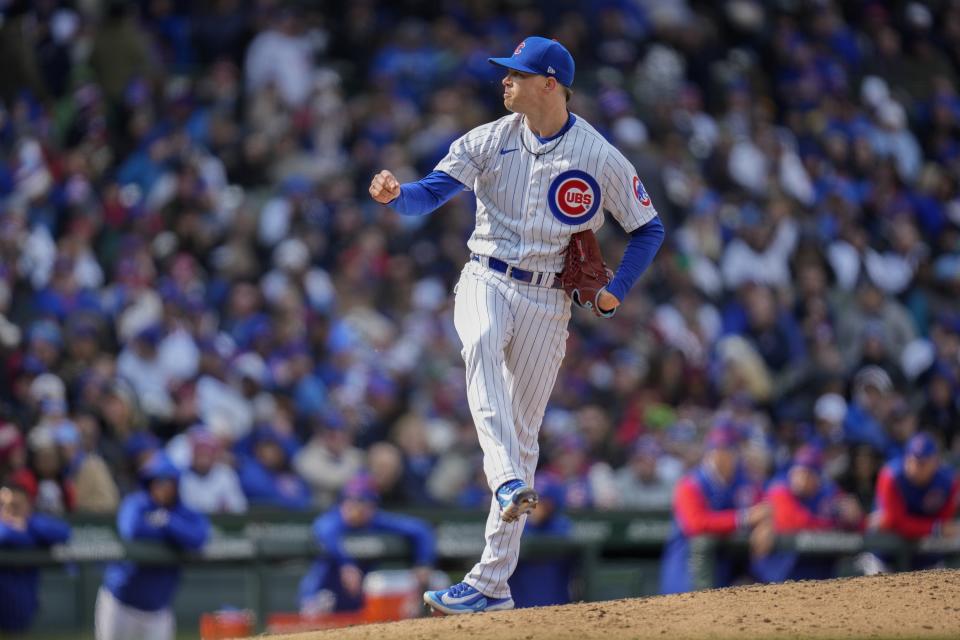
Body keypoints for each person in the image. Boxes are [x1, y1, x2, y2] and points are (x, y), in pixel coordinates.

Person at [369, 35, 665, 614]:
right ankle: (505, 480)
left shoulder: (599, 155)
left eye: (517, 74)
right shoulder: (487, 139)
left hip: (548, 301)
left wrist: (615, 292)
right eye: (505, 73)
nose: (504, 81)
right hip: (487, 276)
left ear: (549, 83)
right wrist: (395, 194)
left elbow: (647, 228)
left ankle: (490, 585)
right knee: (478, 342)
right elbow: (429, 194)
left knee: (524, 435)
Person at [96, 452, 210, 640]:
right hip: (120, 603)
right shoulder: (136, 503)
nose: (162, 487)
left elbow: (199, 537)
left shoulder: (181, 512)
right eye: (156, 480)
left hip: (158, 611)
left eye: (167, 481)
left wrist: (166, 522)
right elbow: (132, 530)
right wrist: (172, 535)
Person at [299, 473, 435, 615]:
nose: (353, 507)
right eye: (349, 501)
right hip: (323, 595)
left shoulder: (376, 520)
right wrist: (346, 564)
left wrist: (423, 563)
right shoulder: (333, 521)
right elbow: (323, 530)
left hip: (360, 600)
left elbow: (421, 529)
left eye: (361, 502)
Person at [659, 423, 768, 594]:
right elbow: (696, 524)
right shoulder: (690, 484)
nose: (723, 456)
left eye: (729, 451)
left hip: (727, 566)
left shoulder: (742, 481)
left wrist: (766, 524)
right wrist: (745, 518)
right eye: (718, 451)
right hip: (688, 565)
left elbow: (765, 506)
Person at [752, 446, 863, 583]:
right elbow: (794, 522)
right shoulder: (779, 489)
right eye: (799, 473)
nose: (802, 479)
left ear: (818, 477)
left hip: (819, 571)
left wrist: (853, 518)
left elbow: (857, 520)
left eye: (808, 474)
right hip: (779, 572)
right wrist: (834, 525)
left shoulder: (829, 492)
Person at [0, 483, 71, 635]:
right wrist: (17, 530)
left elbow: (63, 533)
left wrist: (28, 523)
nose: (8, 510)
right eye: (2, 505)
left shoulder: (33, 524)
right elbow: (5, 536)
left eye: (15, 505)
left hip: (20, 609)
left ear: (27, 507)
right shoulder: (10, 528)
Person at [870, 433, 958, 546]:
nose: (916, 467)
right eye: (913, 460)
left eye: (923, 463)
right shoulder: (890, 476)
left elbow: (946, 523)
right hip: (886, 551)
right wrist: (936, 528)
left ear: (935, 462)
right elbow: (897, 523)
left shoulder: (949, 482)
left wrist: (938, 528)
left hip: (930, 553)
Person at [508, 473, 575, 608]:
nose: (534, 507)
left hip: (558, 608)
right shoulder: (516, 526)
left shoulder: (562, 526)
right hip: (520, 610)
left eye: (541, 502)